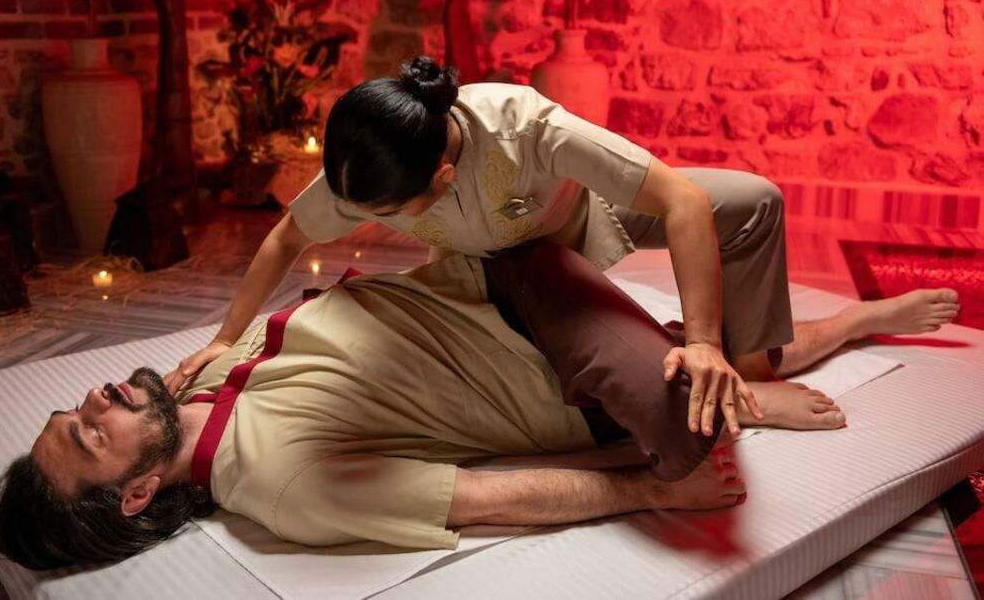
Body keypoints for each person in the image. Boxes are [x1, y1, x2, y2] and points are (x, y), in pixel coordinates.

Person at [0, 242, 952, 570]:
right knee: (706, 367)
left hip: (495, 282)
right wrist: (654, 491)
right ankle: (820, 348)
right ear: (135, 492)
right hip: (552, 367)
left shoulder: (189, 386)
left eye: (79, 407)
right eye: (91, 433)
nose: (97, 397)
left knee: (706, 323)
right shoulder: (279, 481)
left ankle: (813, 341)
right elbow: (485, 495)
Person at [166, 56, 959, 438]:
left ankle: (791, 353)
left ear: (442, 173)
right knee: (604, 376)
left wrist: (705, 341)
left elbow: (680, 199)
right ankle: (756, 378)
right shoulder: (365, 167)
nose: (362, 220)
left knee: (751, 202)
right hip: (496, 278)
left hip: (579, 223)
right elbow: (285, 236)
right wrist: (226, 337)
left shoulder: (525, 126)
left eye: (387, 213)